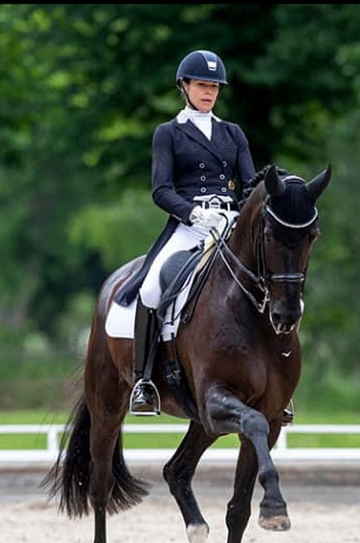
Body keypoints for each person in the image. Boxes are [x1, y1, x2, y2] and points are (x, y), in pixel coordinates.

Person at [114, 49, 257, 416]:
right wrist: (193, 213)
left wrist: (240, 213)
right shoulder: (170, 134)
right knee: (149, 288)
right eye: (201, 85)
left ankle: (275, 387)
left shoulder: (233, 133)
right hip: (189, 226)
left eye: (213, 87)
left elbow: (251, 184)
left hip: (230, 224)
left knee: (267, 282)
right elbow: (161, 190)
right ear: (185, 86)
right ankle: (145, 381)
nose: (208, 92)